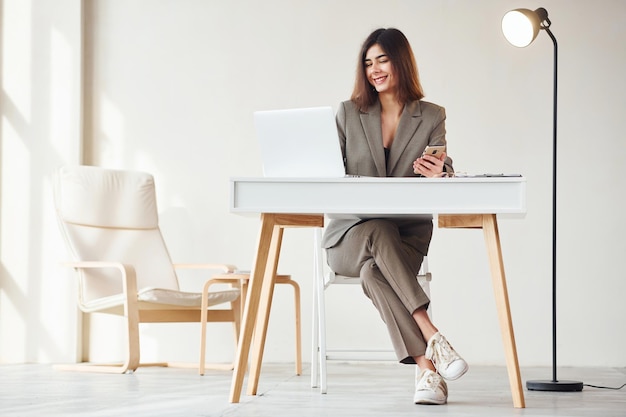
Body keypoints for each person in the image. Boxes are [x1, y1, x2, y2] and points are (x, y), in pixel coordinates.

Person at [322, 28, 468, 405]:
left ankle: (427, 369)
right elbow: (326, 172)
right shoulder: (348, 113)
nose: (374, 69)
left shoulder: (432, 115)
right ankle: (432, 333)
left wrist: (442, 172)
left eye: (382, 60)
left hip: (405, 240)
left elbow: (443, 162)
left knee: (375, 272)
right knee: (376, 230)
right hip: (349, 238)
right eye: (368, 63)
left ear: (400, 61)